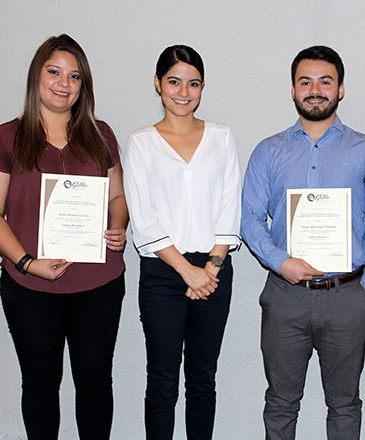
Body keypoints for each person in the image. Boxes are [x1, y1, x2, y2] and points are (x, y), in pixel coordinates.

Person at [0, 34, 127, 439]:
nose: (64, 83)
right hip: (29, 286)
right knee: (41, 386)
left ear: (84, 85)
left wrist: (119, 227)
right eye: (55, 72)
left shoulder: (102, 135)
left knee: (95, 385)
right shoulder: (6, 137)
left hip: (98, 283)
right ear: (36, 77)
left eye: (75, 76)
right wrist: (27, 262)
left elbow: (117, 196)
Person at [241, 45, 365, 440]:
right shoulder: (267, 151)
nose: (315, 89)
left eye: (325, 81)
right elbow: (250, 221)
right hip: (285, 294)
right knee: (280, 402)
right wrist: (281, 262)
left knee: (344, 406)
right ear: (292, 89)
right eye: (305, 81)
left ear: (340, 89)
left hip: (348, 295)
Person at [123, 45, 241, 440]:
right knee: (161, 380)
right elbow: (143, 217)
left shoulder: (222, 137)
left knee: (203, 378)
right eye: (174, 81)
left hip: (213, 270)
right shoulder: (140, 142)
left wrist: (210, 268)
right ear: (158, 84)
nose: (183, 92)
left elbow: (229, 204)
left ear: (202, 87)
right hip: (163, 274)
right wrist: (187, 271)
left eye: (193, 83)